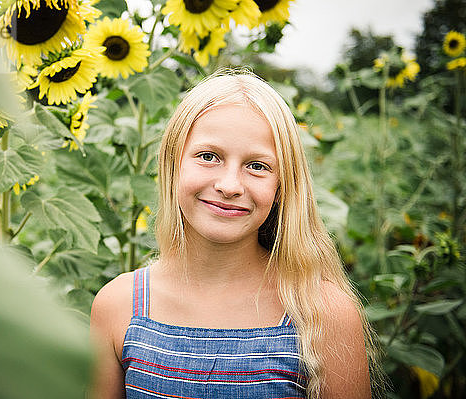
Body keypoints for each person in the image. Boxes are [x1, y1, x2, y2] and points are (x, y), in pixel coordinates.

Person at [90, 69, 380, 399]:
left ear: (281, 184)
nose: (229, 186)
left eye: (257, 165)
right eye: (208, 156)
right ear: (172, 165)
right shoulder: (118, 305)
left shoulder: (323, 313)